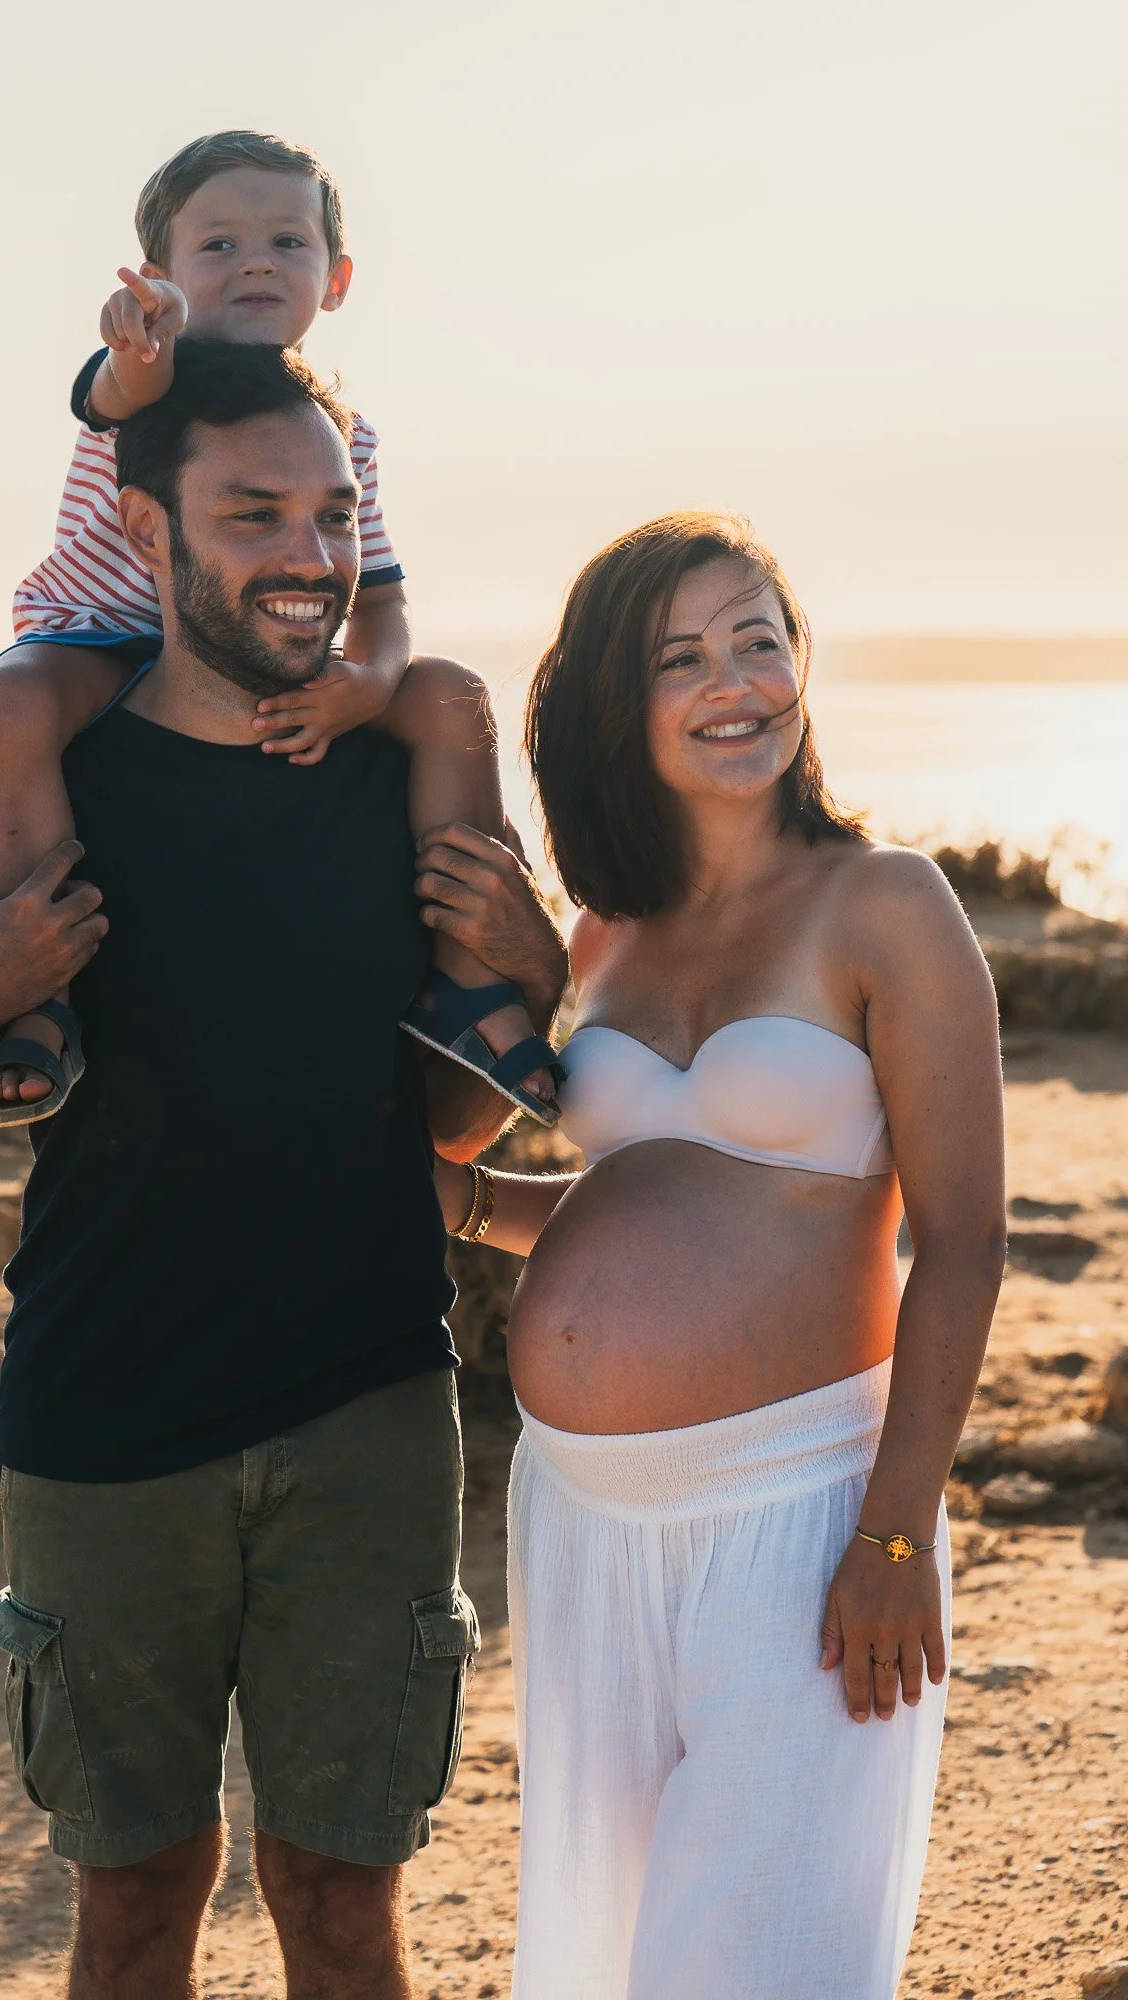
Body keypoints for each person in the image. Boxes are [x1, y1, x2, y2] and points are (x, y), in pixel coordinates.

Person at [0, 341, 569, 2000]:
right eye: (255, 515)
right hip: (102, 1422)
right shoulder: (24, 789)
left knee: (339, 1898)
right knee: (137, 1896)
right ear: (147, 530)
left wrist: (542, 982)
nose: (310, 555)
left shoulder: (402, 779)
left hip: (367, 1413)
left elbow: (449, 1123)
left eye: (332, 514)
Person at [427, 512, 1007, 1999]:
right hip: (582, 1516)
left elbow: (961, 1240)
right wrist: (470, 1200)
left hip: (796, 1508)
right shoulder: (606, 934)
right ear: (618, 707)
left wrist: (893, 1533)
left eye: (758, 639)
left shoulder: (885, 901)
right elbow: (648, 1193)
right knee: (616, 1951)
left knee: (763, 1958)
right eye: (681, 657)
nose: (734, 681)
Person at [0, 127, 559, 1127]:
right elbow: (123, 385)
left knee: (449, 696)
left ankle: (466, 982)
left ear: (337, 279)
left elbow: (381, 598)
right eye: (218, 245)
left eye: (287, 242)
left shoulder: (342, 435)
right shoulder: (146, 382)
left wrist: (368, 683)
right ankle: (37, 999)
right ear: (156, 279)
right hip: (95, 640)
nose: (255, 264)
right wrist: (139, 338)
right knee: (11, 701)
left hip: (250, 641)